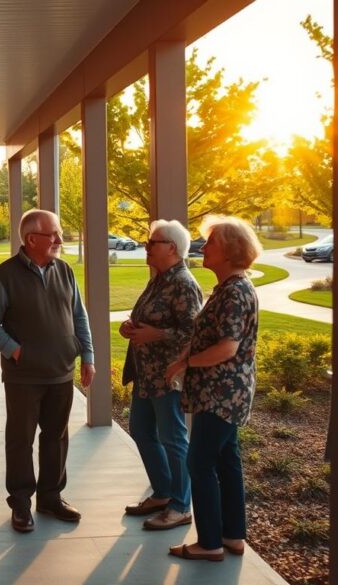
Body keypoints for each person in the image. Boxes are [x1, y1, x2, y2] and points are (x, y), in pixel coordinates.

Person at [0, 209, 96, 533]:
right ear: (32, 239)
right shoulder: (4, 276)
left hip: (61, 372)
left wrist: (87, 355)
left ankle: (50, 498)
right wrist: (15, 351)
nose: (60, 239)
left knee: (56, 437)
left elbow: (79, 316)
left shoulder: (66, 271)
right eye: (53, 234)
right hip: (23, 377)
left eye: (58, 233)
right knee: (20, 440)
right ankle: (20, 504)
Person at [165, 215, 261, 562]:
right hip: (223, 392)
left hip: (222, 394)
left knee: (199, 462)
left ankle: (209, 542)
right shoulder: (229, 288)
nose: (204, 247)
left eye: (213, 243)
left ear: (232, 250)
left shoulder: (234, 291)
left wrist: (186, 363)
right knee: (225, 460)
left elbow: (227, 348)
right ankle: (232, 535)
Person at [120, 220, 203, 530]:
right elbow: (146, 317)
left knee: (173, 439)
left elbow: (194, 332)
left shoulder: (183, 282)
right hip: (146, 375)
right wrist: (130, 327)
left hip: (168, 376)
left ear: (172, 248)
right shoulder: (160, 279)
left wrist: (157, 334)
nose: (146, 247)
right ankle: (163, 492)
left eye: (151, 242)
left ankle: (181, 506)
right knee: (141, 431)